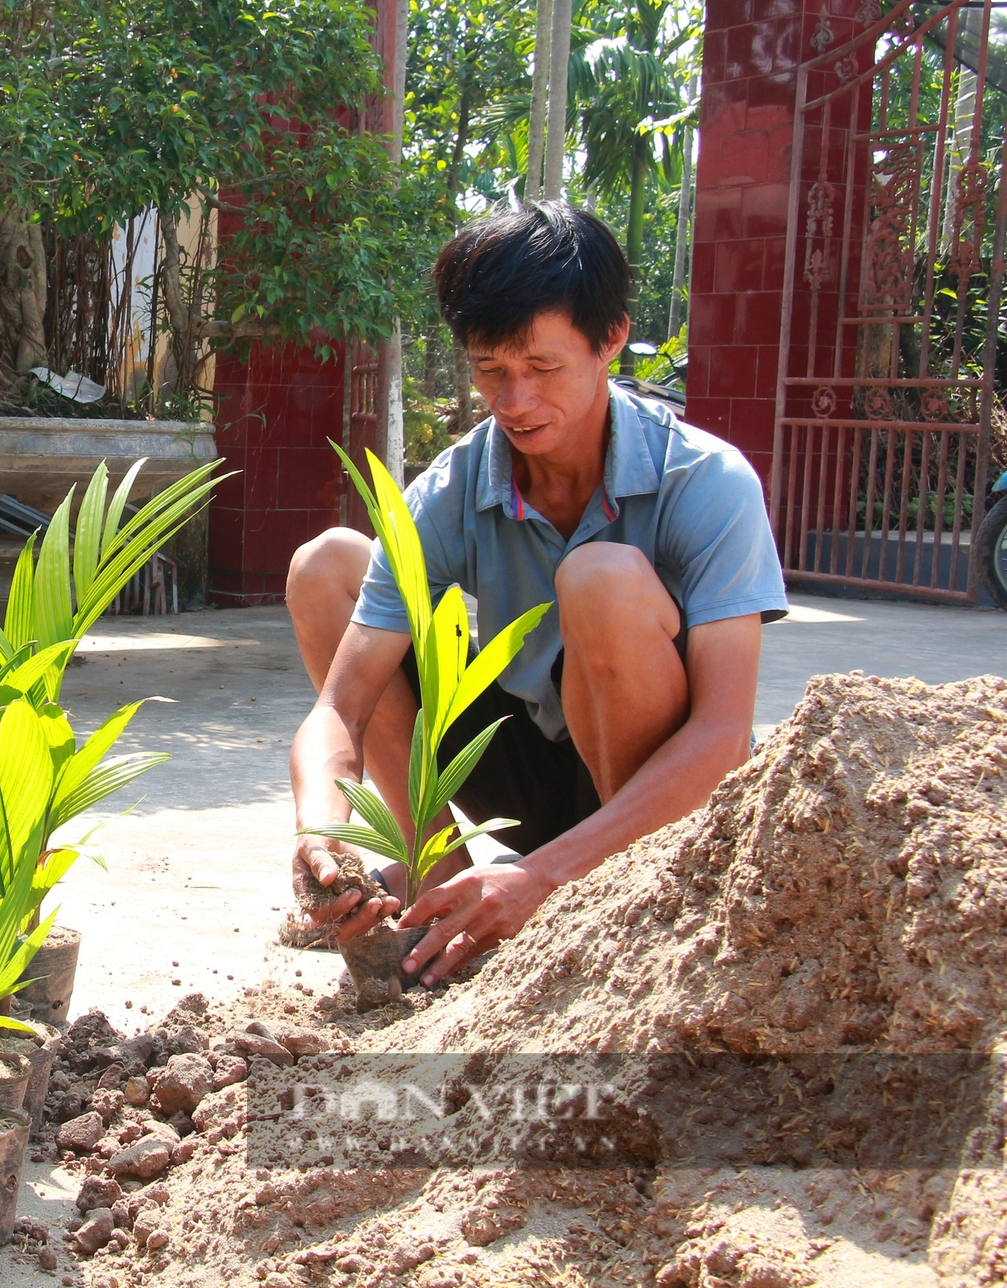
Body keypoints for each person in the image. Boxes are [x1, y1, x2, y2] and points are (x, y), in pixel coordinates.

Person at [285, 203, 786, 989]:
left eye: (542, 368)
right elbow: (338, 711)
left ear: (610, 339)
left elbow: (724, 736)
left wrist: (542, 877)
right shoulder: (455, 485)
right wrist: (321, 827)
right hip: (526, 766)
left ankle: (623, 897)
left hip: (655, 794)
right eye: (490, 370)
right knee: (328, 566)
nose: (514, 402)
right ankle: (434, 896)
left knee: (602, 579)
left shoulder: (705, 481)